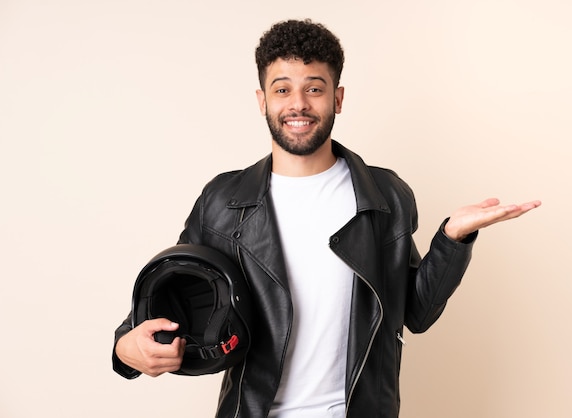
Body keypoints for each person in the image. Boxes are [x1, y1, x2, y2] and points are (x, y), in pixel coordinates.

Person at [113, 19, 541, 418]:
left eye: (314, 88)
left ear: (337, 97)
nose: (298, 104)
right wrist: (126, 347)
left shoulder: (384, 195)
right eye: (282, 90)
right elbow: (171, 295)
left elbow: (416, 313)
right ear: (262, 100)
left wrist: (452, 239)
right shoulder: (222, 201)